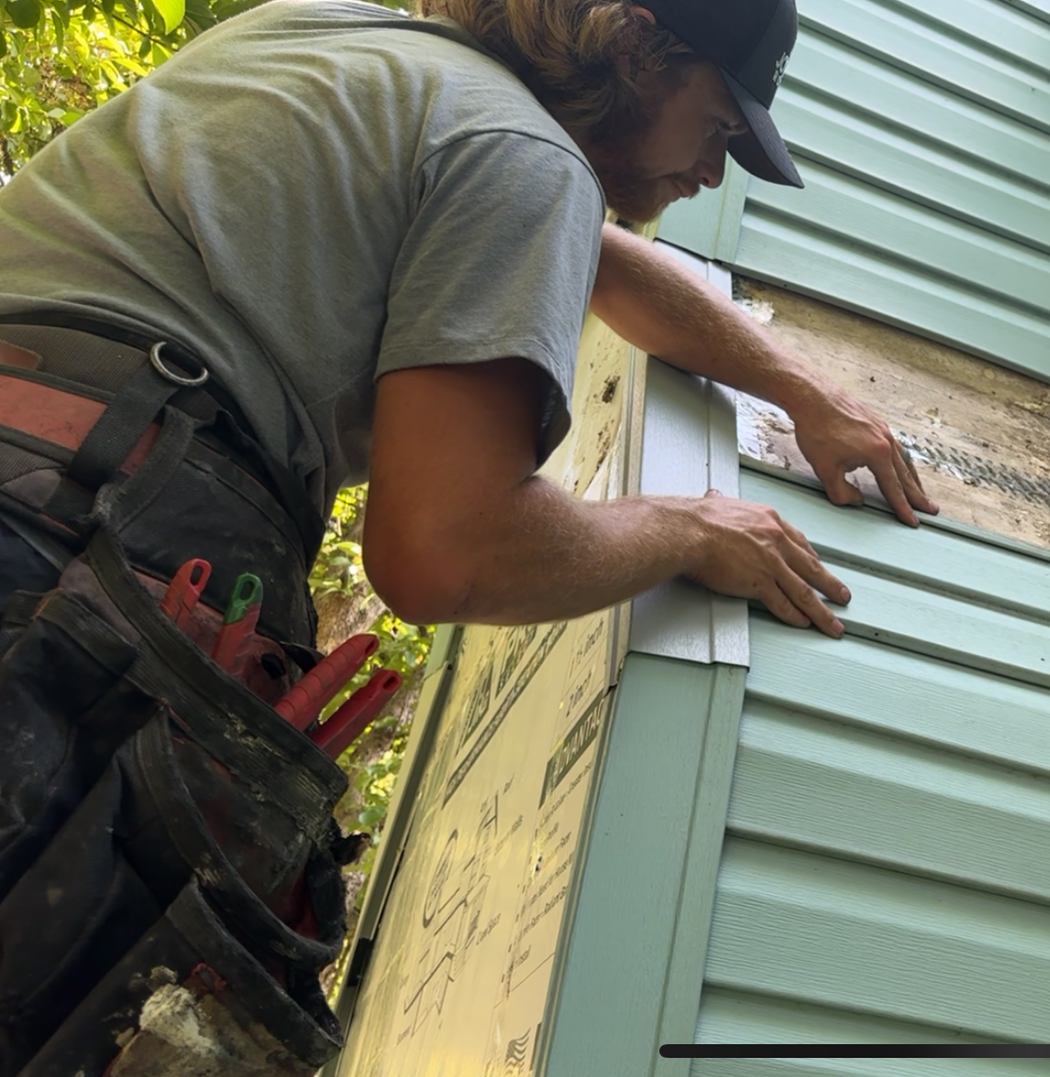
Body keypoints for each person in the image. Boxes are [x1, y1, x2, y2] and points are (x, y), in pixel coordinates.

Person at [0, 0, 934, 1071]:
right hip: (80, 541)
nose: (712, 174)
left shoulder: (339, 45)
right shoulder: (519, 154)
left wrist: (798, 384)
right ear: (637, 53)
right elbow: (447, 548)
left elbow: (606, 265)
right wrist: (687, 526)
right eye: (718, 129)